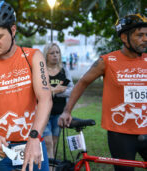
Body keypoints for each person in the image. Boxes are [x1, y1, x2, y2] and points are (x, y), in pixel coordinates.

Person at [0, 1, 53, 171]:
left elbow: (45, 100)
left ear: (13, 30)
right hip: (1, 147)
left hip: (33, 140)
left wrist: (35, 138)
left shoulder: (33, 57)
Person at [58, 14, 147, 171]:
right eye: (140, 35)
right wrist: (67, 111)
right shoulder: (106, 61)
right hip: (120, 134)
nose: (145, 39)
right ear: (125, 38)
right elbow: (82, 83)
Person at [42, 43, 73, 167]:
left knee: (54, 142)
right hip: (44, 113)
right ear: (46, 55)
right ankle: (48, 168)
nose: (55, 56)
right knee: (48, 142)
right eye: (52, 53)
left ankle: (51, 167)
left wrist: (54, 91)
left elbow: (71, 90)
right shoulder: (41, 71)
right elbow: (40, 91)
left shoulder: (64, 70)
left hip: (59, 113)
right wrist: (56, 90)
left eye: (57, 52)